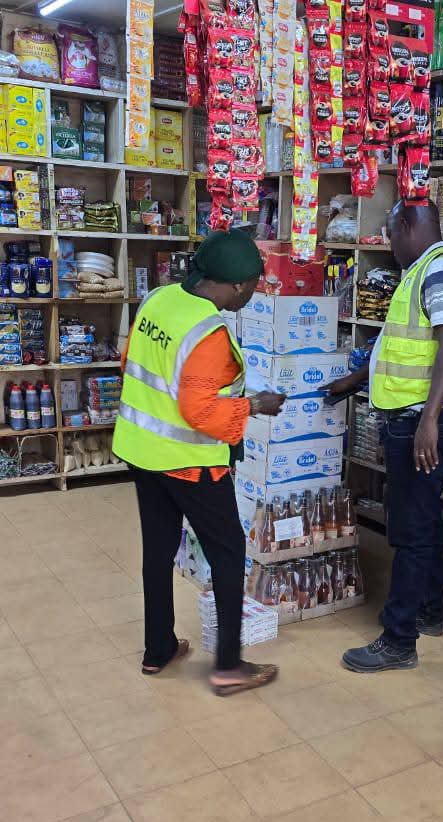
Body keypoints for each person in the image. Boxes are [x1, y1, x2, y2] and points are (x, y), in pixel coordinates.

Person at [113, 229, 287, 695]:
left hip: (142, 452)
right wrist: (255, 405)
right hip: (191, 463)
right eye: (253, 285)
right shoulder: (208, 332)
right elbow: (200, 412)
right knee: (228, 553)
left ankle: (158, 649)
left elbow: (129, 361)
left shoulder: (159, 299)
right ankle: (229, 666)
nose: (253, 294)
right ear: (236, 285)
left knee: (158, 549)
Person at [325, 200, 443, 672]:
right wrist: (351, 382)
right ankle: (428, 611)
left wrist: (429, 419)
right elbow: (395, 344)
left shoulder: (441, 270)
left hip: (420, 421)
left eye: (391, 234)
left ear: (409, 226)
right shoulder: (419, 272)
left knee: (410, 528)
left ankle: (398, 640)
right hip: (411, 417)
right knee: (424, 519)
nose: (390, 245)